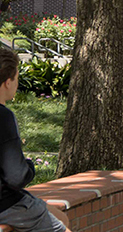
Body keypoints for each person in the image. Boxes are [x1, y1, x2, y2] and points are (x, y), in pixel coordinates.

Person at [0, 47, 68, 232]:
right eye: (17, 78)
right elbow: (16, 176)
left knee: (60, 216)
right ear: (8, 82)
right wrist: (29, 166)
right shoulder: (4, 117)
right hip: (6, 205)